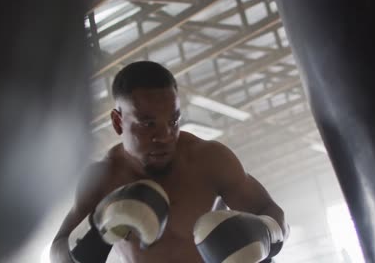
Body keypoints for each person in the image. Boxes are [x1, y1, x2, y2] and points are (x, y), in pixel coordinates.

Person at [50, 61, 290, 263]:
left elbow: (272, 214)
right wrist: (98, 223)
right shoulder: (102, 179)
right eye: (148, 124)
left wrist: (262, 233)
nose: (165, 137)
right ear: (117, 122)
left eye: (173, 121)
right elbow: (57, 254)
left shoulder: (210, 160)